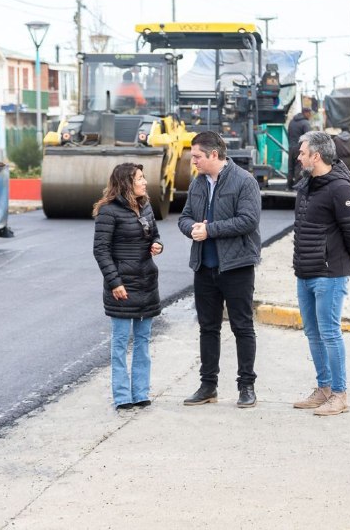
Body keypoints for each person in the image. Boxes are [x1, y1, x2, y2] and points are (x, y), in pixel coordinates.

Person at [178, 131, 262, 409]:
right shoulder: (198, 183)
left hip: (237, 266)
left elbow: (248, 220)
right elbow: (184, 217)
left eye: (197, 157)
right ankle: (208, 386)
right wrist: (192, 228)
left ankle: (246, 386)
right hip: (204, 266)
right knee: (208, 328)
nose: (193, 162)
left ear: (214, 154)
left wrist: (210, 230)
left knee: (242, 327)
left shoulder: (244, 181)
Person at [292, 130, 350, 416]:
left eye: (302, 152)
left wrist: (344, 267)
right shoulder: (306, 186)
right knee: (313, 333)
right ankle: (323, 389)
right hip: (305, 273)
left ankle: (339, 394)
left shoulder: (340, 189)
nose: (298, 157)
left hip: (330, 274)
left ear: (316, 156)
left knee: (330, 334)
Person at [93, 163, 164, 410]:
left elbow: (154, 234)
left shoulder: (146, 206)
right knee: (121, 343)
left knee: (143, 341)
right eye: (140, 178)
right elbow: (101, 251)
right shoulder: (108, 211)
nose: (145, 182)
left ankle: (141, 392)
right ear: (126, 183)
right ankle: (122, 396)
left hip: (147, 283)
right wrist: (115, 282)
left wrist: (157, 245)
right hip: (122, 287)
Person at [287, 106, 313, 190]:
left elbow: (288, 135)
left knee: (290, 168)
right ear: (306, 113)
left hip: (291, 148)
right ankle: (297, 187)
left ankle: (289, 186)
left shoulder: (292, 122)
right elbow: (309, 138)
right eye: (310, 113)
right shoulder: (305, 123)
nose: (310, 115)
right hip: (300, 149)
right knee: (299, 167)